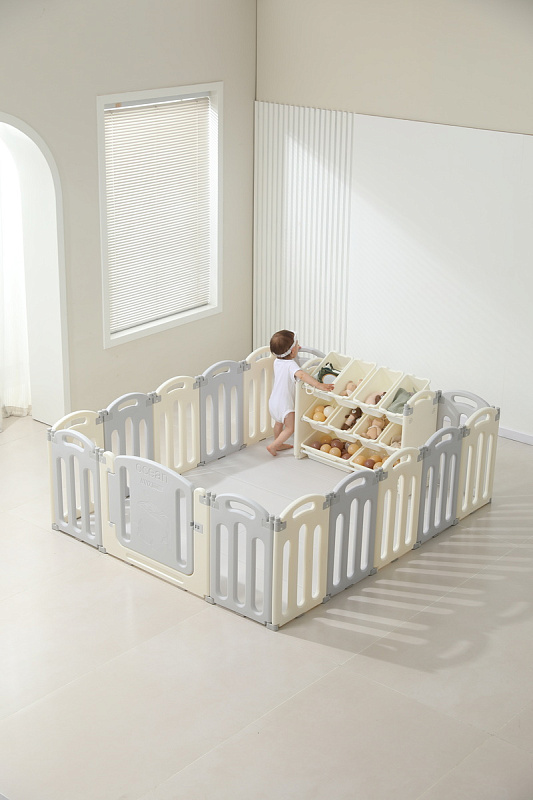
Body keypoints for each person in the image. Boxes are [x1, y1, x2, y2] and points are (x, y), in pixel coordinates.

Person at [267, 330, 334, 456]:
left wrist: (294, 350)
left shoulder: (277, 361)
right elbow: (302, 375)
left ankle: (277, 442)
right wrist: (319, 385)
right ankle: (273, 446)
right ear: (292, 351)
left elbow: (288, 360)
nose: (299, 346)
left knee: (278, 423)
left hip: (273, 401)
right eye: (297, 345)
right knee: (290, 428)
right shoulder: (291, 364)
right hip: (285, 404)